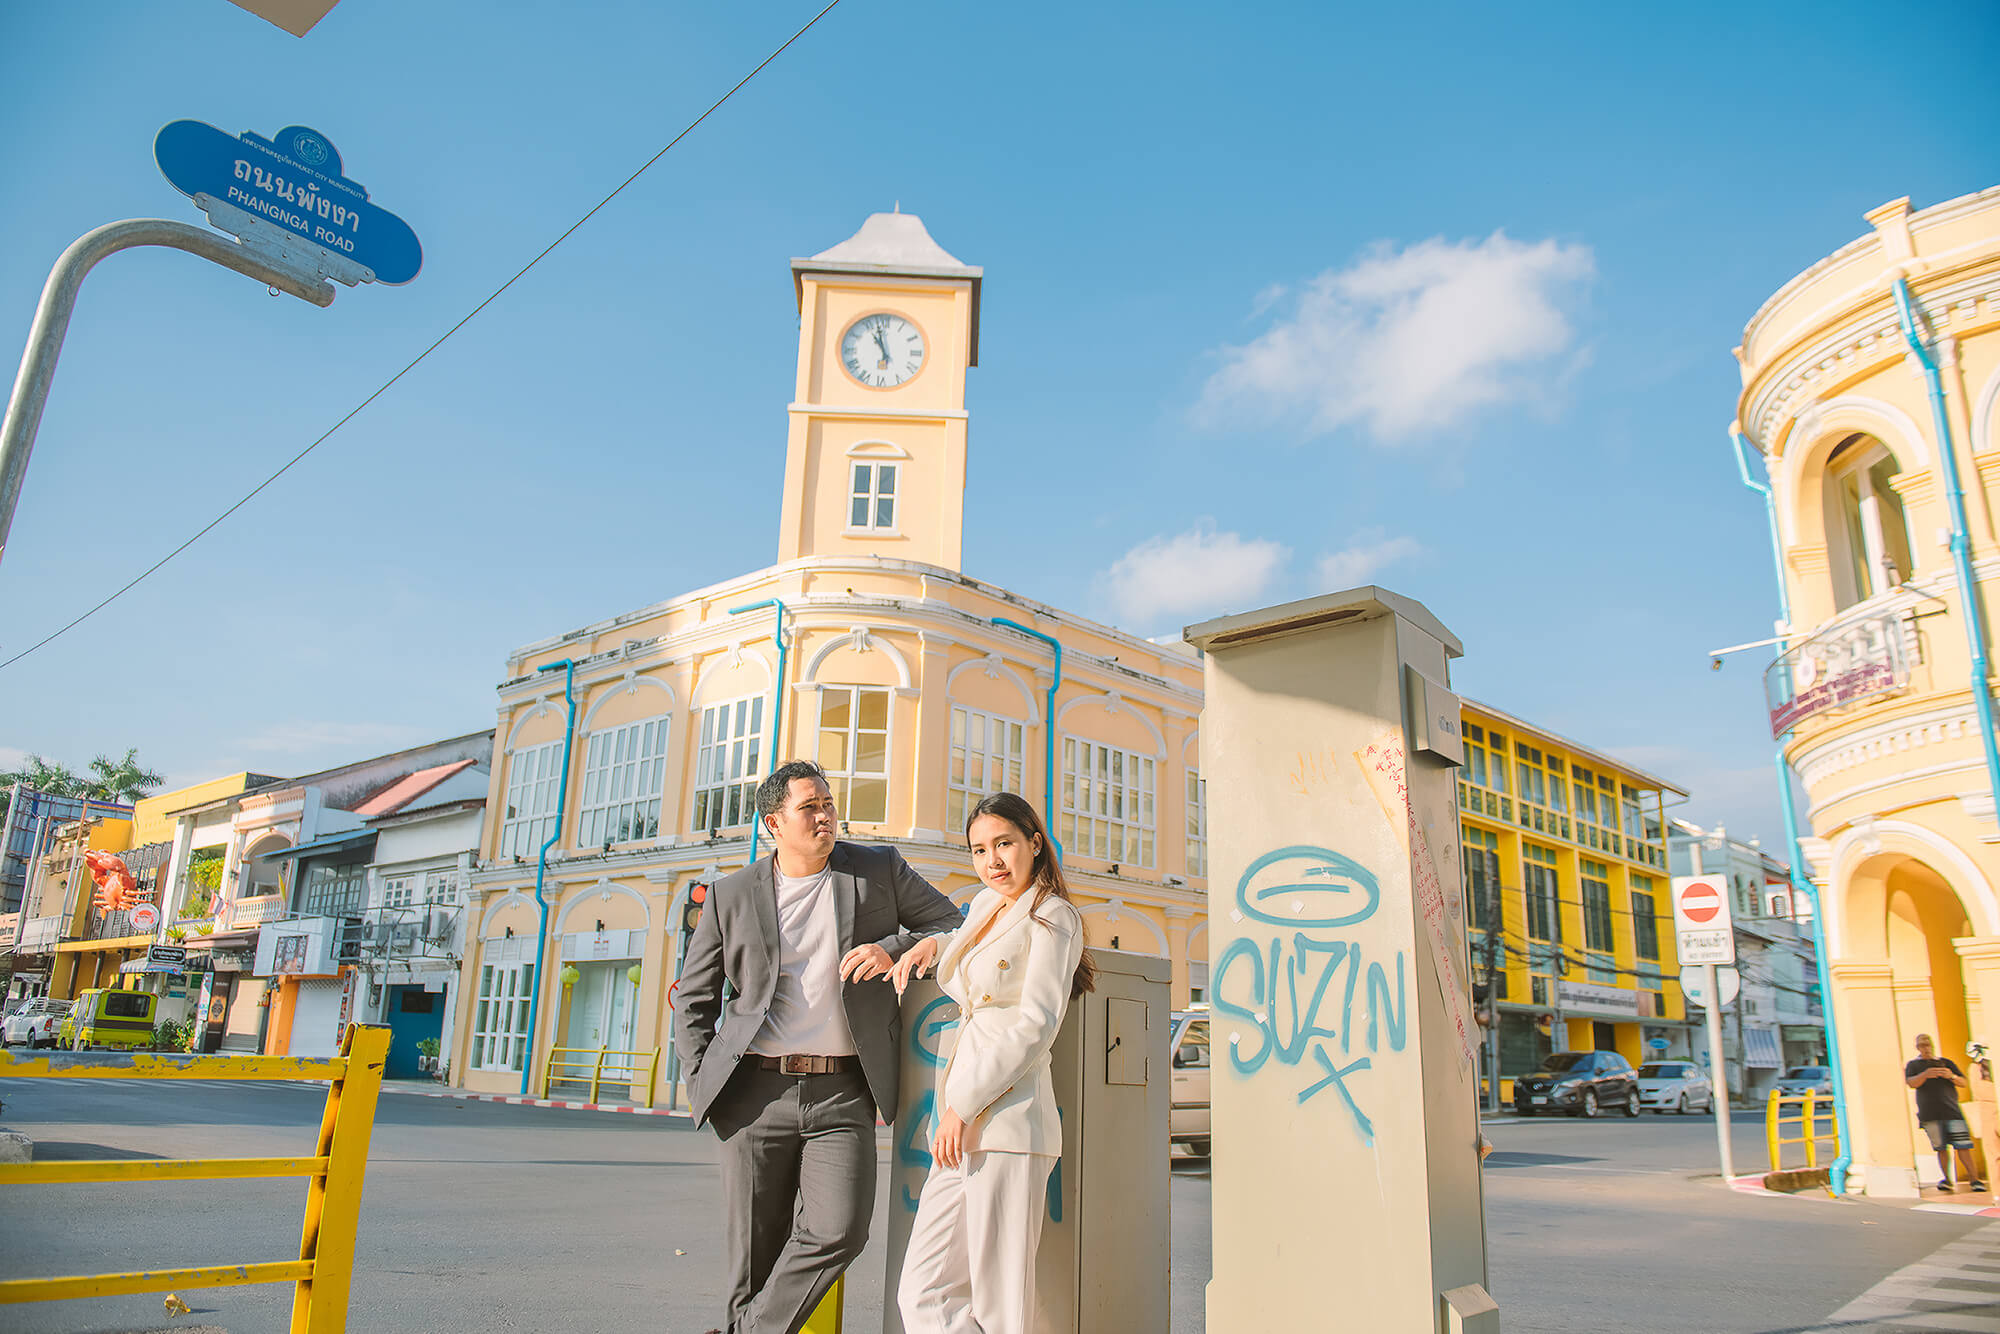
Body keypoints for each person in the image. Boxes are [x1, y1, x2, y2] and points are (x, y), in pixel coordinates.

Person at [674, 760, 963, 1334]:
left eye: (828, 803)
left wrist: (894, 947)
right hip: (753, 1091)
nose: (825, 815)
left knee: (841, 1228)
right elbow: (694, 998)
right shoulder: (731, 895)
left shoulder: (877, 870)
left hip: (842, 1093)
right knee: (753, 1261)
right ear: (772, 823)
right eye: (809, 806)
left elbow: (951, 922)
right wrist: (702, 1077)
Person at [889, 791, 1095, 1334]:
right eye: (979, 850)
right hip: (957, 1126)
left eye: (1004, 843)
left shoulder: (1055, 917)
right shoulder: (984, 905)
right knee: (922, 1290)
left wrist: (963, 1105)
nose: (993, 861)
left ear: (1034, 842)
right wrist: (928, 947)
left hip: (1007, 1124)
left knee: (1002, 1305)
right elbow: (964, 947)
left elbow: (1036, 1024)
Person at [1905, 1033, 1986, 1192]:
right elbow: (1911, 1083)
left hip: (1952, 1112)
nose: (1926, 1048)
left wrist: (1951, 1076)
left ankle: (1974, 1180)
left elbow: (1963, 1082)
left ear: (1932, 1045)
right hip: (1930, 1114)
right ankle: (1947, 1179)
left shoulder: (1946, 1062)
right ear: (1917, 1047)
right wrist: (1925, 1075)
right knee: (1941, 1148)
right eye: (1922, 1045)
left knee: (1963, 1146)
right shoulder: (1913, 1065)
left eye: (1928, 1044)